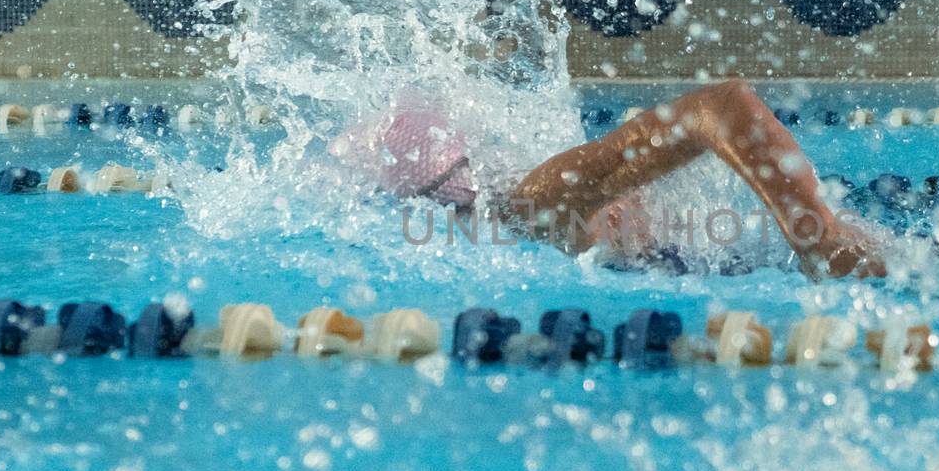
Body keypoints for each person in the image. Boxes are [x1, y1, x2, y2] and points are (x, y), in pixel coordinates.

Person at [329, 79, 889, 279]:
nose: (632, 198)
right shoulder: (533, 216)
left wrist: (819, 238)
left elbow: (722, 105)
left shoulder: (544, 198)